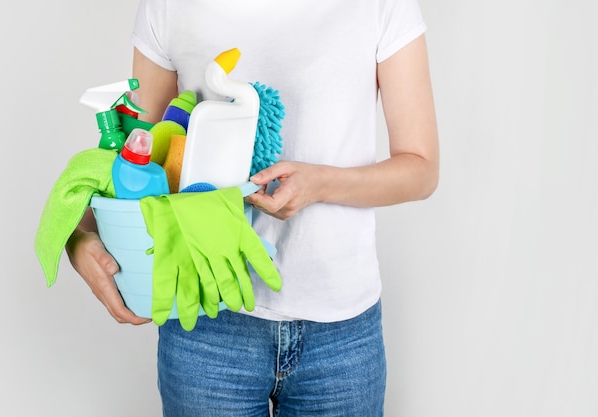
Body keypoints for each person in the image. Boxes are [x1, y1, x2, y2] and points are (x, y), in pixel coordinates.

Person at [66, 0, 439, 415]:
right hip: (205, 320)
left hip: (341, 334)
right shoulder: (169, 7)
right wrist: (80, 237)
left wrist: (320, 184)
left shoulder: (381, 6)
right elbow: (132, 156)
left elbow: (421, 169)